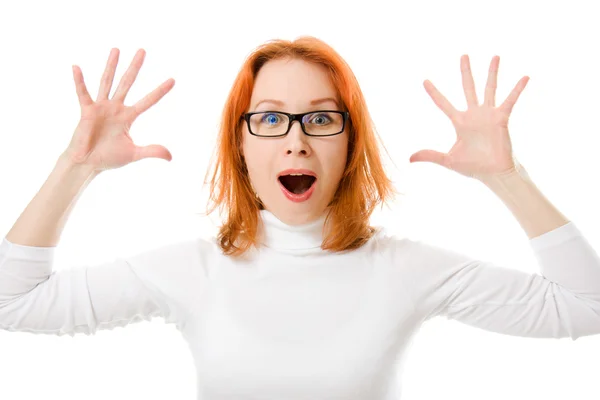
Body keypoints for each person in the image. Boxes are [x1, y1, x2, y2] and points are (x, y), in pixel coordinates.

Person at [1, 36, 599, 399]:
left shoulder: (405, 267)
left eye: (320, 119)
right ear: (240, 145)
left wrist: (506, 178)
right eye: (269, 118)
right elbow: (13, 303)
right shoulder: (192, 270)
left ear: (349, 144)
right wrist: (74, 168)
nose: (296, 142)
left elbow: (586, 307)